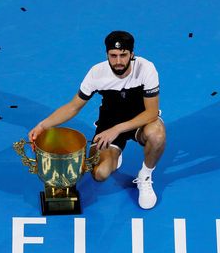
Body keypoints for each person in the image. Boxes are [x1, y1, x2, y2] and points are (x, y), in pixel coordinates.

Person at [28, 31, 166, 209]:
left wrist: (118, 129)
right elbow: (73, 106)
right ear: (107, 54)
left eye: (123, 55)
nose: (118, 61)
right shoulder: (96, 73)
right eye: (113, 55)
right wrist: (42, 125)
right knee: (100, 174)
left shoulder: (146, 69)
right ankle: (115, 154)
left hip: (140, 121)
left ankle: (145, 176)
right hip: (108, 124)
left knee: (157, 135)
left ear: (132, 55)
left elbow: (152, 113)